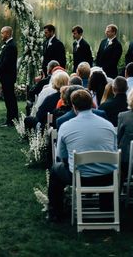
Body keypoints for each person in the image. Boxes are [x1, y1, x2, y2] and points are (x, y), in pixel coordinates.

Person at [47, 89, 117, 222]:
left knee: (55, 170)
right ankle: (106, 207)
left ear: (73, 106)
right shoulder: (108, 125)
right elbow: (113, 150)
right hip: (107, 176)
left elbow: (61, 156)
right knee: (106, 165)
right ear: (91, 104)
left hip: (80, 176)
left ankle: (56, 212)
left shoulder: (66, 126)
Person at [0, 26, 19, 127]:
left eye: (2, 33)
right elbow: (0, 62)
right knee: (9, 99)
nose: (1, 35)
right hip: (7, 77)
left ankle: (11, 120)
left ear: (7, 34)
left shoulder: (10, 46)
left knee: (10, 99)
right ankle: (12, 119)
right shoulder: (8, 45)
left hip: (8, 77)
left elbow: (5, 64)